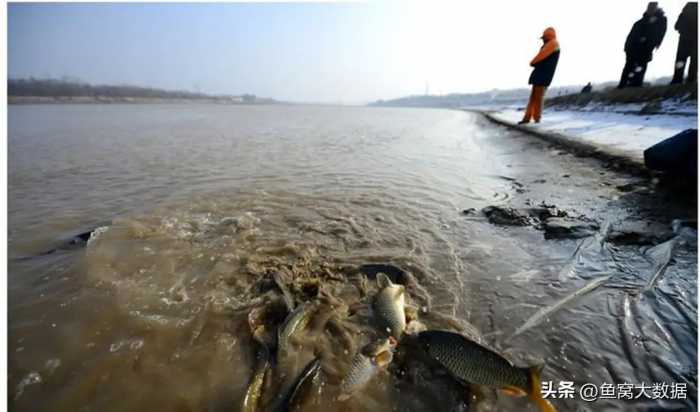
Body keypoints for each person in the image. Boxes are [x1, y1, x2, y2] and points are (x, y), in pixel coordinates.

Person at [618, 2, 667, 89]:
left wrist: (653, 44)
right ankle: (624, 85)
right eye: (649, 7)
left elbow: (659, 34)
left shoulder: (660, 20)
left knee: (640, 66)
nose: (649, 9)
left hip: (645, 47)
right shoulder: (640, 22)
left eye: (652, 8)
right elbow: (632, 36)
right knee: (629, 66)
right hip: (632, 47)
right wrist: (627, 47)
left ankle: (635, 85)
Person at [519, 27, 560, 125]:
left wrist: (532, 62)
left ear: (548, 36)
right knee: (534, 98)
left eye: (544, 38)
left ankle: (536, 119)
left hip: (543, 75)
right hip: (542, 75)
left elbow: (540, 56)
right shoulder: (551, 44)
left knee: (537, 98)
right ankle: (528, 118)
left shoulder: (552, 44)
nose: (542, 40)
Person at [671, 2, 697, 84]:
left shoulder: (684, 13)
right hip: (692, 40)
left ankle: (678, 80)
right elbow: (677, 26)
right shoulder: (684, 14)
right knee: (693, 62)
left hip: (686, 40)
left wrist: (683, 30)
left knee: (682, 61)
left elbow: (676, 26)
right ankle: (690, 80)